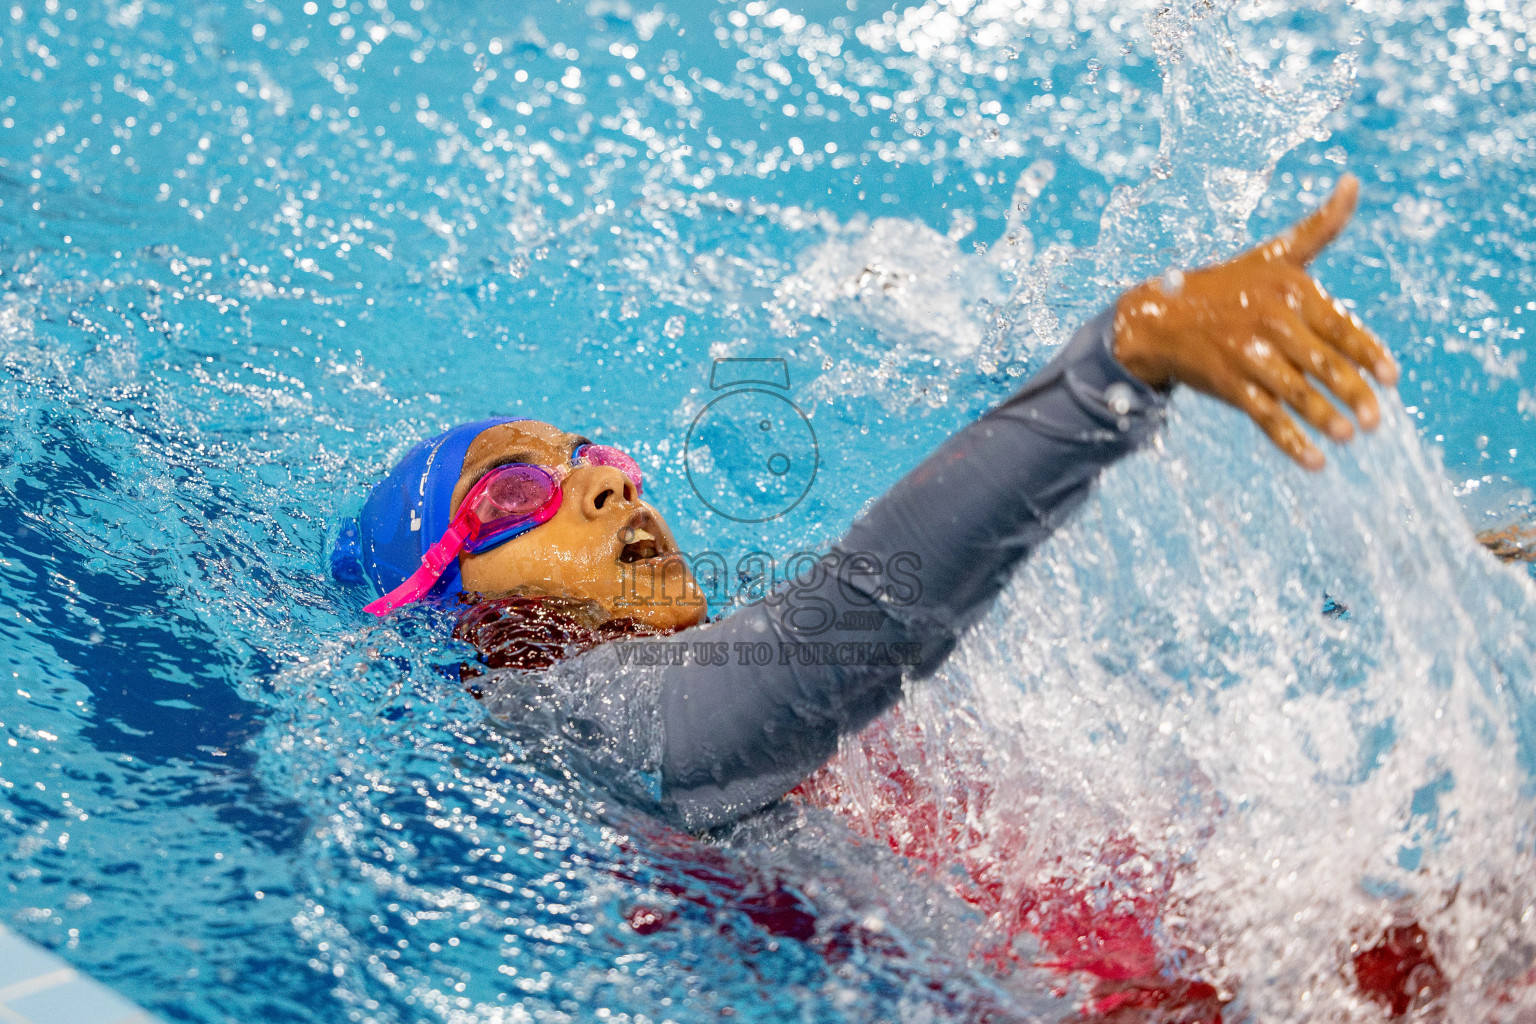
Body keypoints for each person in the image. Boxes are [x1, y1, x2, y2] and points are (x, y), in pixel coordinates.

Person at [332, 174, 1395, 830]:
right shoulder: (557, 714)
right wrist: (1119, 361)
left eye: (592, 457)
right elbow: (835, 640)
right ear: (446, 600)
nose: (609, 482)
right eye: (516, 491)